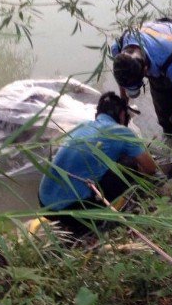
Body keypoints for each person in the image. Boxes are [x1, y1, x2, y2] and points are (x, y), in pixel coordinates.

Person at [38, 91, 159, 235]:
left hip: (43, 202)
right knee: (129, 165)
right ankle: (91, 223)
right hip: (69, 210)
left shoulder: (83, 125)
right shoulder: (120, 131)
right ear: (121, 114)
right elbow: (151, 168)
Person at [110, 18, 172, 140]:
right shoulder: (118, 49)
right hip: (156, 56)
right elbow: (123, 78)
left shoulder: (171, 61)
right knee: (164, 117)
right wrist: (123, 103)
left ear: (145, 70)